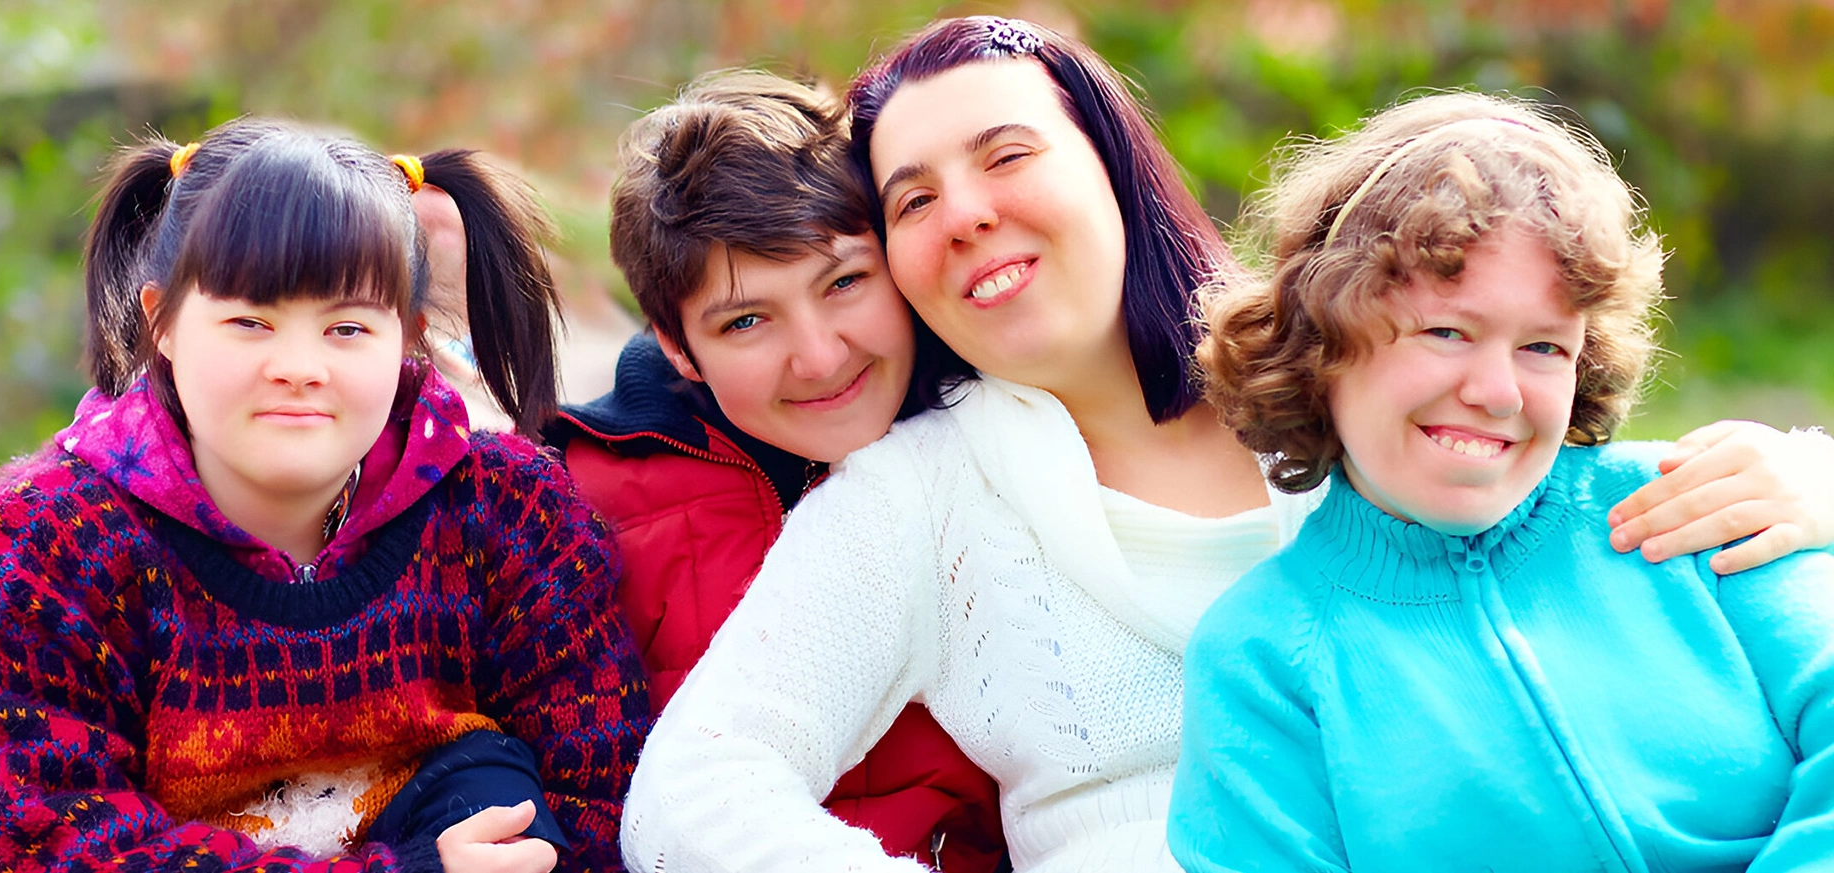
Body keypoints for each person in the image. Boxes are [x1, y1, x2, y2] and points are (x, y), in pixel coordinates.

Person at [619, 16, 1834, 873]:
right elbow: (694, 796)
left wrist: (1808, 474)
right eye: (914, 198)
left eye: (1005, 155)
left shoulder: (1340, 351)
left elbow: (1539, 424)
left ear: (1111, 164)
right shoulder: (919, 498)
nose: (969, 211)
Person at [0, 118, 650, 872]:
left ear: (408, 338)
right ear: (160, 321)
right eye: (249, 321)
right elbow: (30, 841)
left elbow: (600, 794)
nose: (298, 366)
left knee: (489, 780)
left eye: (347, 328)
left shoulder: (511, 514)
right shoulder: (39, 551)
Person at [1171, 91, 1834, 871]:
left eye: (1545, 347)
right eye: (1448, 331)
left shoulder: (1687, 503)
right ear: (1323, 341)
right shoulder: (1263, 654)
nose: (1499, 392)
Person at [546, 70, 1006, 872]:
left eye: (845, 281)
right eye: (748, 319)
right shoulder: (569, 512)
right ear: (677, 343)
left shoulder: (1003, 444)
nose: (821, 355)